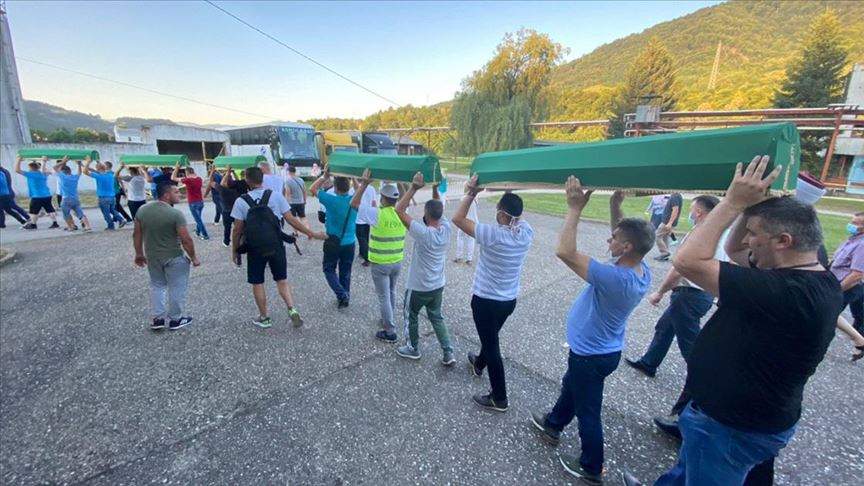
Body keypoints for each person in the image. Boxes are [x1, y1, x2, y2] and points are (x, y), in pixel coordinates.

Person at [623, 156, 844, 486]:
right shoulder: (811, 279)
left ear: (784, 241)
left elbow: (688, 261)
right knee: (685, 471)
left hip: (730, 427)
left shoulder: (784, 292)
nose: (748, 240)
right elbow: (737, 250)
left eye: (755, 233)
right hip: (731, 416)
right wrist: (750, 209)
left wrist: (731, 202)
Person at [529, 179, 653, 484]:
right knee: (572, 385)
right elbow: (625, 238)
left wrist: (574, 209)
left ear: (625, 248)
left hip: (591, 355)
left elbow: (565, 251)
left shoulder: (615, 278)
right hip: (600, 351)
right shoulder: (639, 268)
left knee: (588, 410)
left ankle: (592, 466)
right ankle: (553, 424)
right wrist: (615, 207)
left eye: (613, 238)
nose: (608, 241)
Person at [453, 176, 534, 413]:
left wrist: (471, 193)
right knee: (491, 339)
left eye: (498, 210)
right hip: (508, 301)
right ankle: (478, 364)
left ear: (501, 215)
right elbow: (516, 215)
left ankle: (500, 398)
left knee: (493, 347)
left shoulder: (492, 235)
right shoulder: (526, 233)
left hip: (485, 301)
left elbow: (457, 218)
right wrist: (510, 185)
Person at [625, 195, 723, 378]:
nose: (690, 212)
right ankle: (649, 363)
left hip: (690, 295)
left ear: (699, 212)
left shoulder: (701, 235)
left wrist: (660, 292)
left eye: (692, 209)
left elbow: (679, 269)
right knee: (665, 327)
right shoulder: (718, 232)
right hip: (700, 294)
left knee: (690, 342)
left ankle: (705, 380)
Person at [230, 166, 325, 328]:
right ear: (262, 179)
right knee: (282, 280)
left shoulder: (241, 201)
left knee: (257, 282)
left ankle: (264, 317)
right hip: (276, 244)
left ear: (247, 180)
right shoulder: (275, 196)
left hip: (254, 248)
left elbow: (237, 230)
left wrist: (235, 251)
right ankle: (292, 309)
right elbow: (291, 220)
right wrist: (312, 233)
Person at [393, 172, 455, 365]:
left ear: (426, 215)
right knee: (436, 317)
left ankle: (413, 348)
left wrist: (414, 188)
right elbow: (438, 209)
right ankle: (448, 352)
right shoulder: (446, 229)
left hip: (419, 287)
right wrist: (435, 187)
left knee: (410, 315)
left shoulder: (423, 233)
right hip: (437, 286)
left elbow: (399, 210)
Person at [133, 182, 200, 331]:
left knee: (157, 285)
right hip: (174, 256)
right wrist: (194, 257)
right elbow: (186, 239)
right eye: (176, 192)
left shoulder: (142, 210)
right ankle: (176, 319)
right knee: (177, 287)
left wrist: (139, 253)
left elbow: (137, 234)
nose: (180, 194)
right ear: (166, 195)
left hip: (152, 256)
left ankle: (158, 319)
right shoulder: (175, 214)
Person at [352, 170, 406, 343]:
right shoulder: (402, 214)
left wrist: (364, 184)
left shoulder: (377, 213)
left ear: (382, 198)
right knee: (391, 292)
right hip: (396, 262)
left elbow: (354, 204)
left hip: (380, 264)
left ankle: (390, 331)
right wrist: (402, 181)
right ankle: (388, 320)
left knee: (383, 296)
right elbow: (405, 198)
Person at [310, 171, 357, 308]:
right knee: (345, 271)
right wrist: (354, 176)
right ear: (349, 187)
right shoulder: (355, 200)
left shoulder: (330, 200)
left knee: (328, 269)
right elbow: (360, 190)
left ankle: (341, 294)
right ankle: (345, 295)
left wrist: (324, 176)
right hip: (350, 242)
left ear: (335, 188)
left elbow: (312, 189)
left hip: (333, 241)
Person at [831, 211, 864, 335]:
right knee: (859, 311)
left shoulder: (862, 245)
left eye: (855, 223)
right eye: (851, 221)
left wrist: (836, 291)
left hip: (848, 286)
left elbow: (857, 275)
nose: (851, 225)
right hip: (838, 282)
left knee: (829, 316)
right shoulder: (852, 240)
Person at [14, 156, 60, 229]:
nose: (28, 169)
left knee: (33, 212)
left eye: (29, 167)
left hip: (37, 196)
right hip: (47, 195)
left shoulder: (30, 174)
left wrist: (18, 160)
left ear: (31, 168)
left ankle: (33, 225)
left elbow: (17, 170)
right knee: (50, 209)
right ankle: (55, 223)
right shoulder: (44, 173)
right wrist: (40, 161)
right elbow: (46, 169)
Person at [84, 157, 127, 230]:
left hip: (103, 198)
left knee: (106, 213)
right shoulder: (110, 175)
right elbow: (101, 169)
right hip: (112, 197)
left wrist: (88, 162)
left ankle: (111, 226)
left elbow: (85, 171)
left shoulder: (98, 176)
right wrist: (98, 162)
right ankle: (121, 219)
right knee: (112, 210)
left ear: (97, 169)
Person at [53, 158, 92, 232]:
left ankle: (70, 227)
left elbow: (54, 167)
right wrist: (79, 165)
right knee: (80, 213)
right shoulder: (74, 178)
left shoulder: (63, 177)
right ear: (70, 171)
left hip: (66, 199)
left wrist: (63, 162)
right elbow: (79, 173)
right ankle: (88, 226)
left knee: (66, 214)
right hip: (75, 198)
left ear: (62, 172)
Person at [171, 163, 209, 240]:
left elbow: (173, 178)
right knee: (199, 218)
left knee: (198, 220)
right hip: (200, 202)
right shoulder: (199, 179)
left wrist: (176, 168)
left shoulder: (187, 180)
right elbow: (195, 178)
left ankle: (205, 235)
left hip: (192, 202)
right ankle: (198, 232)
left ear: (187, 173)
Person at [219, 166, 248, 247]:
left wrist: (228, 172)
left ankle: (226, 242)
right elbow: (238, 181)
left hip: (227, 211)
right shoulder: (237, 187)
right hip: (237, 211)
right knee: (241, 227)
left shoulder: (222, 189)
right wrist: (233, 173)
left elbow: (222, 183)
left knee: (227, 228)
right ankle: (242, 241)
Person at [354, 179, 378, 266]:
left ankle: (367, 258)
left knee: (361, 239)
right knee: (366, 237)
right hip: (368, 217)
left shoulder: (356, 188)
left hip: (359, 216)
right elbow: (374, 202)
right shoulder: (371, 188)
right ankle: (361, 253)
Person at [454, 184, 479, 264]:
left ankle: (459, 257)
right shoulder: (476, 199)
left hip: (464, 221)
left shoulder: (463, 198)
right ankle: (469, 259)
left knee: (460, 237)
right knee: (471, 240)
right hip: (473, 221)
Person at [654, 192, 682, 261]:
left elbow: (675, 210)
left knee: (657, 236)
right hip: (667, 221)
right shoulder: (677, 195)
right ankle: (665, 255)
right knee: (664, 237)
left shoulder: (675, 196)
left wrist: (670, 223)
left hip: (667, 222)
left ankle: (664, 252)